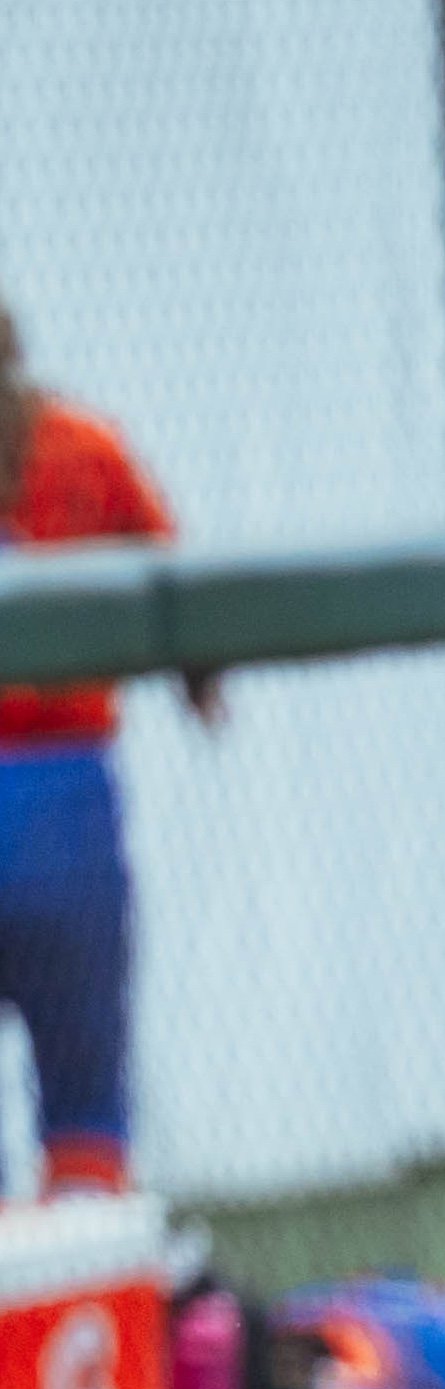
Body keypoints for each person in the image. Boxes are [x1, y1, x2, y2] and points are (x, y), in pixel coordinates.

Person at [0, 294, 180, 1199]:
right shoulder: (82, 446)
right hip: (69, 806)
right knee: (85, 1112)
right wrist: (201, 679)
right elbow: (177, 575)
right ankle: (84, 1315)